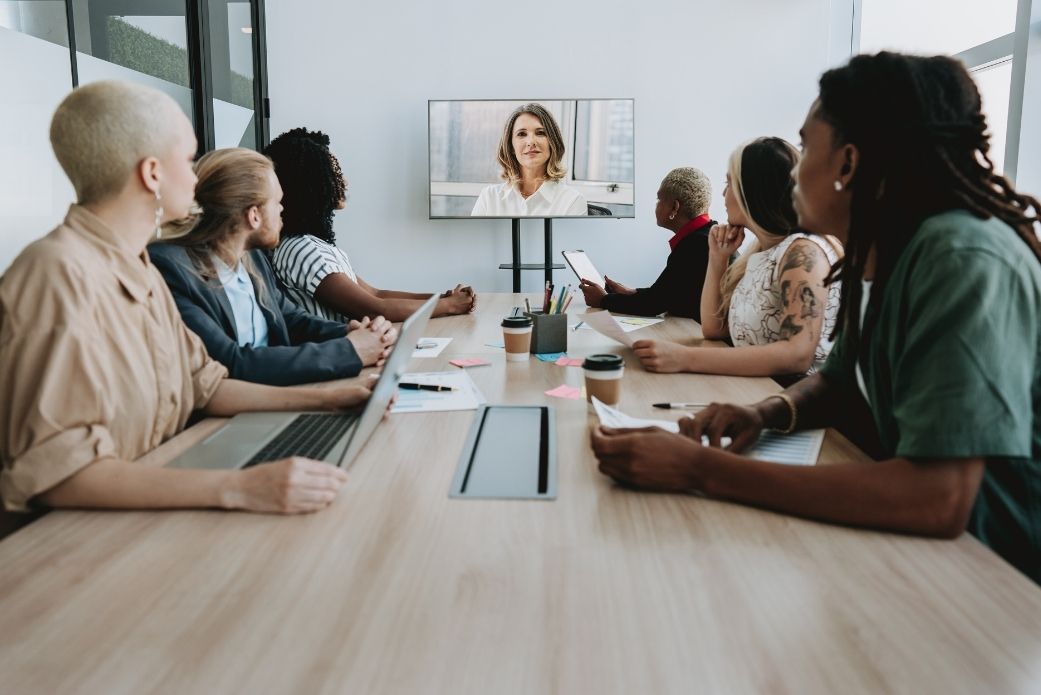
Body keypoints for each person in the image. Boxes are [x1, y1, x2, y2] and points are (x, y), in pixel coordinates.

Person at [591, 53, 1041, 583]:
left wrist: (702, 469)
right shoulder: (878, 253)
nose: (794, 168)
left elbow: (937, 498)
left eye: (805, 147)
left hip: (993, 572)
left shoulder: (960, 259)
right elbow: (836, 383)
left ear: (847, 164)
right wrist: (765, 413)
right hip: (917, 555)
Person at [0, 81, 373, 516]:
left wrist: (330, 400)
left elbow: (206, 386)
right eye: (189, 159)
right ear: (152, 173)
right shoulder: (56, 275)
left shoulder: (140, 266)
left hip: (147, 504)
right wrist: (240, 487)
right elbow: (61, 475)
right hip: (79, 539)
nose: (197, 178)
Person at [150, 147, 396, 386]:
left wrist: (350, 333)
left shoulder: (253, 258)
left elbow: (291, 319)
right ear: (254, 215)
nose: (282, 210)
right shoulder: (172, 269)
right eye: (277, 202)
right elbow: (230, 363)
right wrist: (350, 350)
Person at [631, 138, 842, 378]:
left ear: (752, 190)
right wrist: (717, 258)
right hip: (755, 391)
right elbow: (714, 328)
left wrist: (683, 357)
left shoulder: (802, 253)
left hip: (793, 402)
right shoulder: (761, 252)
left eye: (728, 183)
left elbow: (797, 356)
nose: (723, 193)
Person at [264, 128, 477, 323]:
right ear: (309, 185)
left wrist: (443, 298)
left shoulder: (315, 246)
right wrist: (448, 306)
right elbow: (375, 309)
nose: (344, 182)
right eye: (333, 174)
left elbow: (376, 294)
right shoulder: (301, 250)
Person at [577, 168, 715, 320]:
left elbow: (652, 305)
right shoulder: (706, 236)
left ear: (674, 207)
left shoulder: (695, 245)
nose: (656, 205)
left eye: (659, 200)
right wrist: (632, 293)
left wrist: (603, 300)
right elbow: (666, 294)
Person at [470, 103, 588, 217]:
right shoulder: (489, 198)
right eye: (521, 134)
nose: (531, 142)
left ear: (552, 143)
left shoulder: (572, 201)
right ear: (511, 147)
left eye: (540, 133)